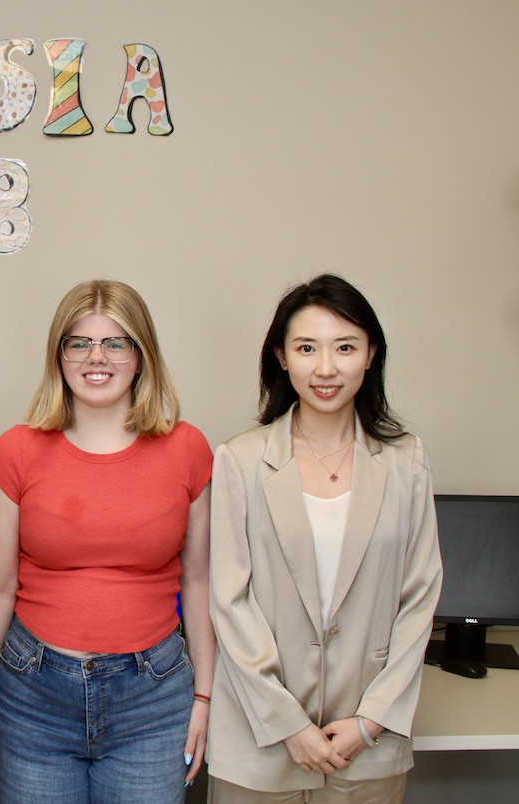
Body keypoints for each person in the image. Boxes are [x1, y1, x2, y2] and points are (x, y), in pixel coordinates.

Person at [0, 279, 215, 802]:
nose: (95, 357)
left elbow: (197, 582)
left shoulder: (187, 448)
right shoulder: (16, 450)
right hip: (32, 694)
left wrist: (205, 696)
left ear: (141, 354)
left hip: (153, 695)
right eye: (78, 342)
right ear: (58, 355)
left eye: (115, 342)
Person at [207, 274, 443, 803]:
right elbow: (228, 601)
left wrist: (372, 722)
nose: (327, 368)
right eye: (307, 348)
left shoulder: (406, 461)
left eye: (345, 348)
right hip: (261, 740)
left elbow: (420, 596)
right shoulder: (240, 460)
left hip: (367, 744)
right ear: (282, 357)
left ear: (371, 354)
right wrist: (289, 723)